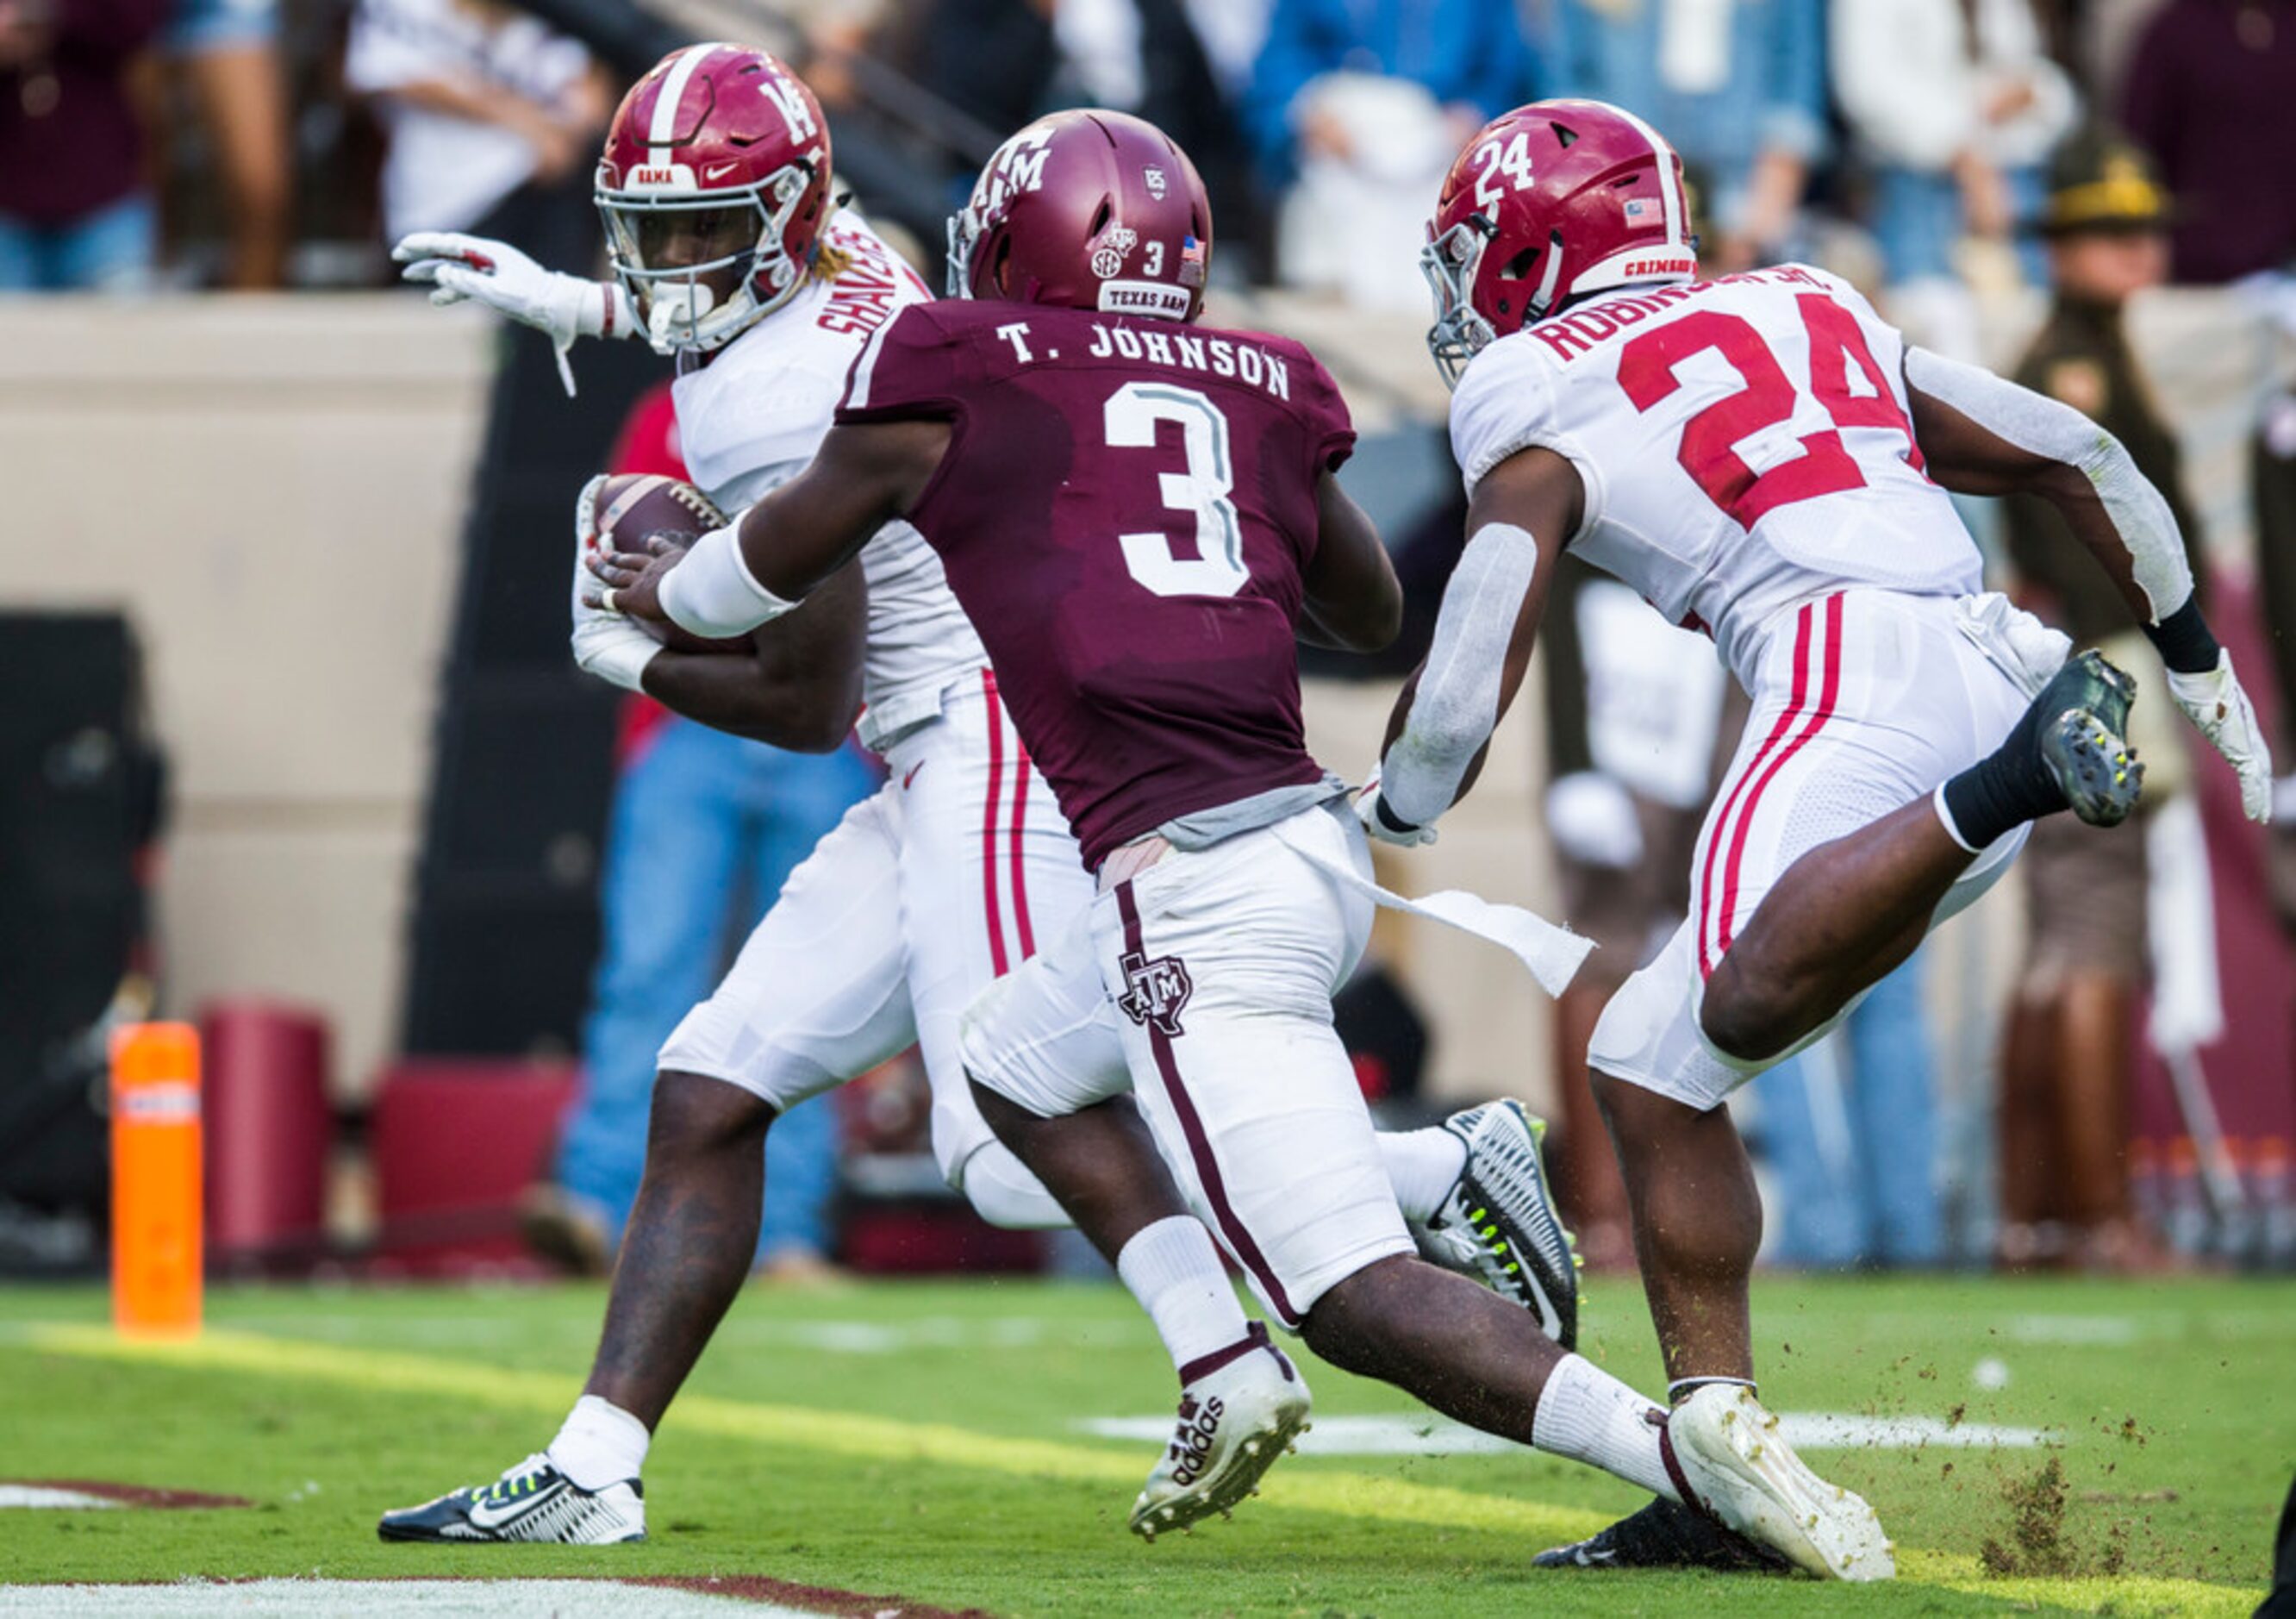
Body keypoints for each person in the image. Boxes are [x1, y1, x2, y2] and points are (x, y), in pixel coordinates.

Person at [596, 104, 1895, 1581]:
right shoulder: (1260, 379)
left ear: (1015, 248)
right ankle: (1233, 1347)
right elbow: (1365, 615)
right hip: (1304, 844)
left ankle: (1688, 1460)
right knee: (1016, 1062)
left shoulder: (957, 373)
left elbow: (719, 602)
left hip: (1184, 883)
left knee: (1340, 1292)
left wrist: (634, 578)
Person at [377, 44, 1574, 1547]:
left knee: (1009, 1151)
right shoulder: (851, 251)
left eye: (695, 234)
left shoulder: (759, 408)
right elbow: (758, 296)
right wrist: (580, 303)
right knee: (706, 1086)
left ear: (788, 214)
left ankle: (1340, 1243)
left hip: (992, 746)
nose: (666, 267)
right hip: (935, 750)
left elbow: (806, 702)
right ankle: (594, 1463)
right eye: (648, 232)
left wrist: (625, 652)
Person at [1360, 96, 2273, 1569]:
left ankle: (2021, 774)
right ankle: (1719, 1462)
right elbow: (2075, 450)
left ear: (1533, 245)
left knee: (1711, 1011)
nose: (1462, 284)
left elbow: (1467, 661)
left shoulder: (1529, 374)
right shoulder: (1805, 294)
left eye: (1475, 250)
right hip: (1976, 641)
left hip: (1844, 677)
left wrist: (1396, 805)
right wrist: (2192, 657)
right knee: (1649, 1057)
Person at [525, 381, 874, 1279]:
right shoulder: (679, 401)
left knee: (809, 982)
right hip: (696, 723)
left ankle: (784, 1229)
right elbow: (623, 555)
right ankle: (600, 1205)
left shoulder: (872, 400)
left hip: (828, 715)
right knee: (653, 963)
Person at [1994, 128, 2204, 1271]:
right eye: (2108, 229)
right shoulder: (2070, 364)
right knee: (2095, 936)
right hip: (2104, 661)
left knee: (2058, 945)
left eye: (2142, 225)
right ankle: (2098, 1214)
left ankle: (2033, 1215)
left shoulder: (2098, 350)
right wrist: (2151, 654)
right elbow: (2084, 542)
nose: (2139, 246)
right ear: (2064, 245)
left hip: (2080, 662)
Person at [0, 0, 169, 291]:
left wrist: (51, 11)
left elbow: (142, 19)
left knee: (122, 331)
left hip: (105, 202)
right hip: (9, 200)